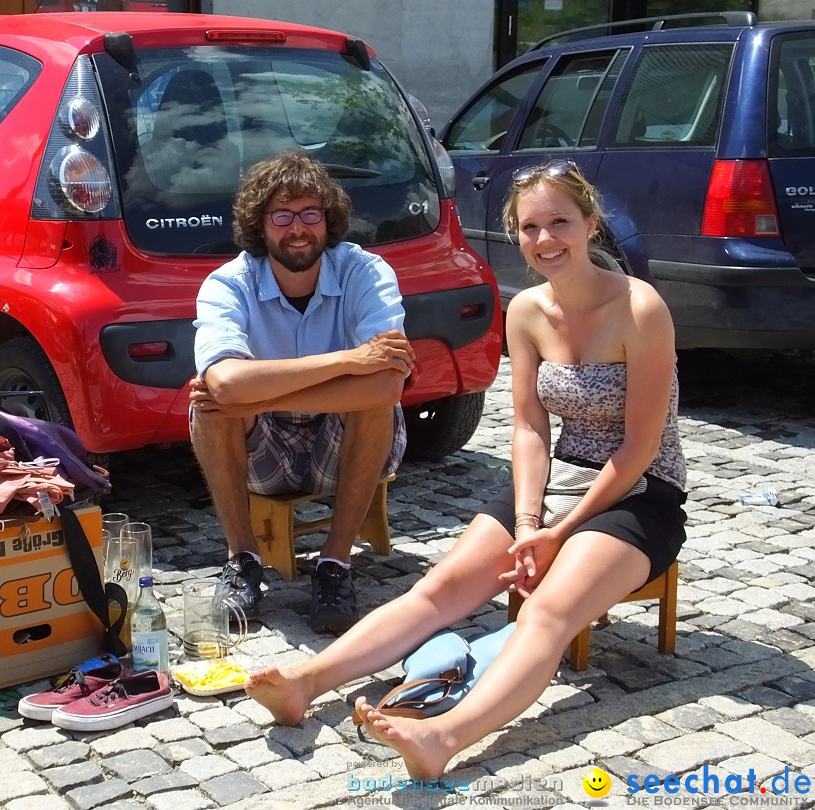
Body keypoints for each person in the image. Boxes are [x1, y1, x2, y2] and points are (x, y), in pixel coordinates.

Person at [245, 159, 687, 778]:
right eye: (530, 228)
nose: (545, 240)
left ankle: (444, 738)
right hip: (559, 477)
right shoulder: (528, 310)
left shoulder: (641, 309)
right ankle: (306, 682)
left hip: (639, 492)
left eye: (559, 222)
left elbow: (640, 446)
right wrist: (530, 518)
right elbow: (531, 428)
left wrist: (555, 534)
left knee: (546, 613)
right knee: (440, 589)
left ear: (590, 224)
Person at [190, 151, 413, 633]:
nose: (298, 228)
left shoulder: (365, 272)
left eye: (310, 213)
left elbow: (389, 381)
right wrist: (347, 361)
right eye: (282, 216)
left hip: (345, 445)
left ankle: (335, 564)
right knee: (208, 408)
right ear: (260, 225)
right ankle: (242, 558)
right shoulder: (228, 282)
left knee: (376, 403)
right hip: (265, 452)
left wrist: (261, 394)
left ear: (328, 220)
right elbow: (224, 383)